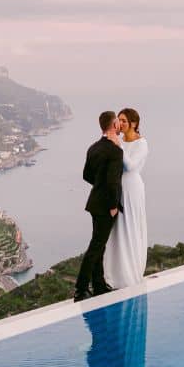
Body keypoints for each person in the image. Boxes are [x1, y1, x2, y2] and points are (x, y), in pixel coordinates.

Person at [75, 111, 123, 302]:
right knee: (96, 246)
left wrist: (99, 186)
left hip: (94, 202)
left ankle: (99, 284)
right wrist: (112, 204)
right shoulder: (115, 151)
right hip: (106, 206)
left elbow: (87, 175)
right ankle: (80, 289)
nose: (120, 125)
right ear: (113, 125)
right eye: (118, 122)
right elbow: (113, 182)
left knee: (99, 245)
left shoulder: (93, 148)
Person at [103, 108, 149, 289]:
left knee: (130, 227)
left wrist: (118, 146)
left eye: (123, 120)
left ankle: (130, 273)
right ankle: (115, 275)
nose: (119, 124)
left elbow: (130, 166)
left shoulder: (141, 143)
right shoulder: (119, 141)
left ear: (134, 123)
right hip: (119, 189)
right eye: (119, 120)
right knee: (118, 230)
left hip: (132, 189)